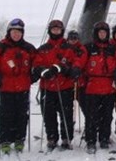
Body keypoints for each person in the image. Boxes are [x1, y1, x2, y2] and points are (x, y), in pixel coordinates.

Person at [0, 18, 36, 154]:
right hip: (6, 86)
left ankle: (19, 139)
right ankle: (5, 140)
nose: (16, 35)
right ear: (9, 32)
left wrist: (35, 74)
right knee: (6, 115)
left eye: (19, 32)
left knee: (21, 115)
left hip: (23, 87)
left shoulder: (28, 48)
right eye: (14, 32)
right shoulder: (1, 47)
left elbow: (37, 63)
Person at [33, 20, 76, 151]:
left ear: (62, 31)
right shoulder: (43, 49)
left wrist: (63, 68)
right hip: (48, 87)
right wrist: (43, 71)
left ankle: (66, 138)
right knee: (49, 115)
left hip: (65, 87)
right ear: (50, 31)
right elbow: (36, 64)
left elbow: (73, 62)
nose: (56, 31)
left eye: (58, 29)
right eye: (54, 29)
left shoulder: (68, 47)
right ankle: (52, 138)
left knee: (66, 115)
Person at [80, 21, 116, 154]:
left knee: (107, 115)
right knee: (91, 116)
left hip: (109, 86)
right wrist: (75, 69)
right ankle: (91, 140)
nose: (102, 34)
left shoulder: (112, 48)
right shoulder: (88, 47)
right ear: (96, 34)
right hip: (92, 87)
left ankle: (104, 138)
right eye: (100, 32)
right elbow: (80, 61)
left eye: (104, 32)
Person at [65, 30, 88, 135]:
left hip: (79, 83)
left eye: (75, 38)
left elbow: (81, 60)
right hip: (66, 83)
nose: (73, 41)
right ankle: (68, 131)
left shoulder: (81, 49)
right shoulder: (65, 49)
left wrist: (76, 68)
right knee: (68, 110)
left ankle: (89, 127)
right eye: (71, 38)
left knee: (86, 107)